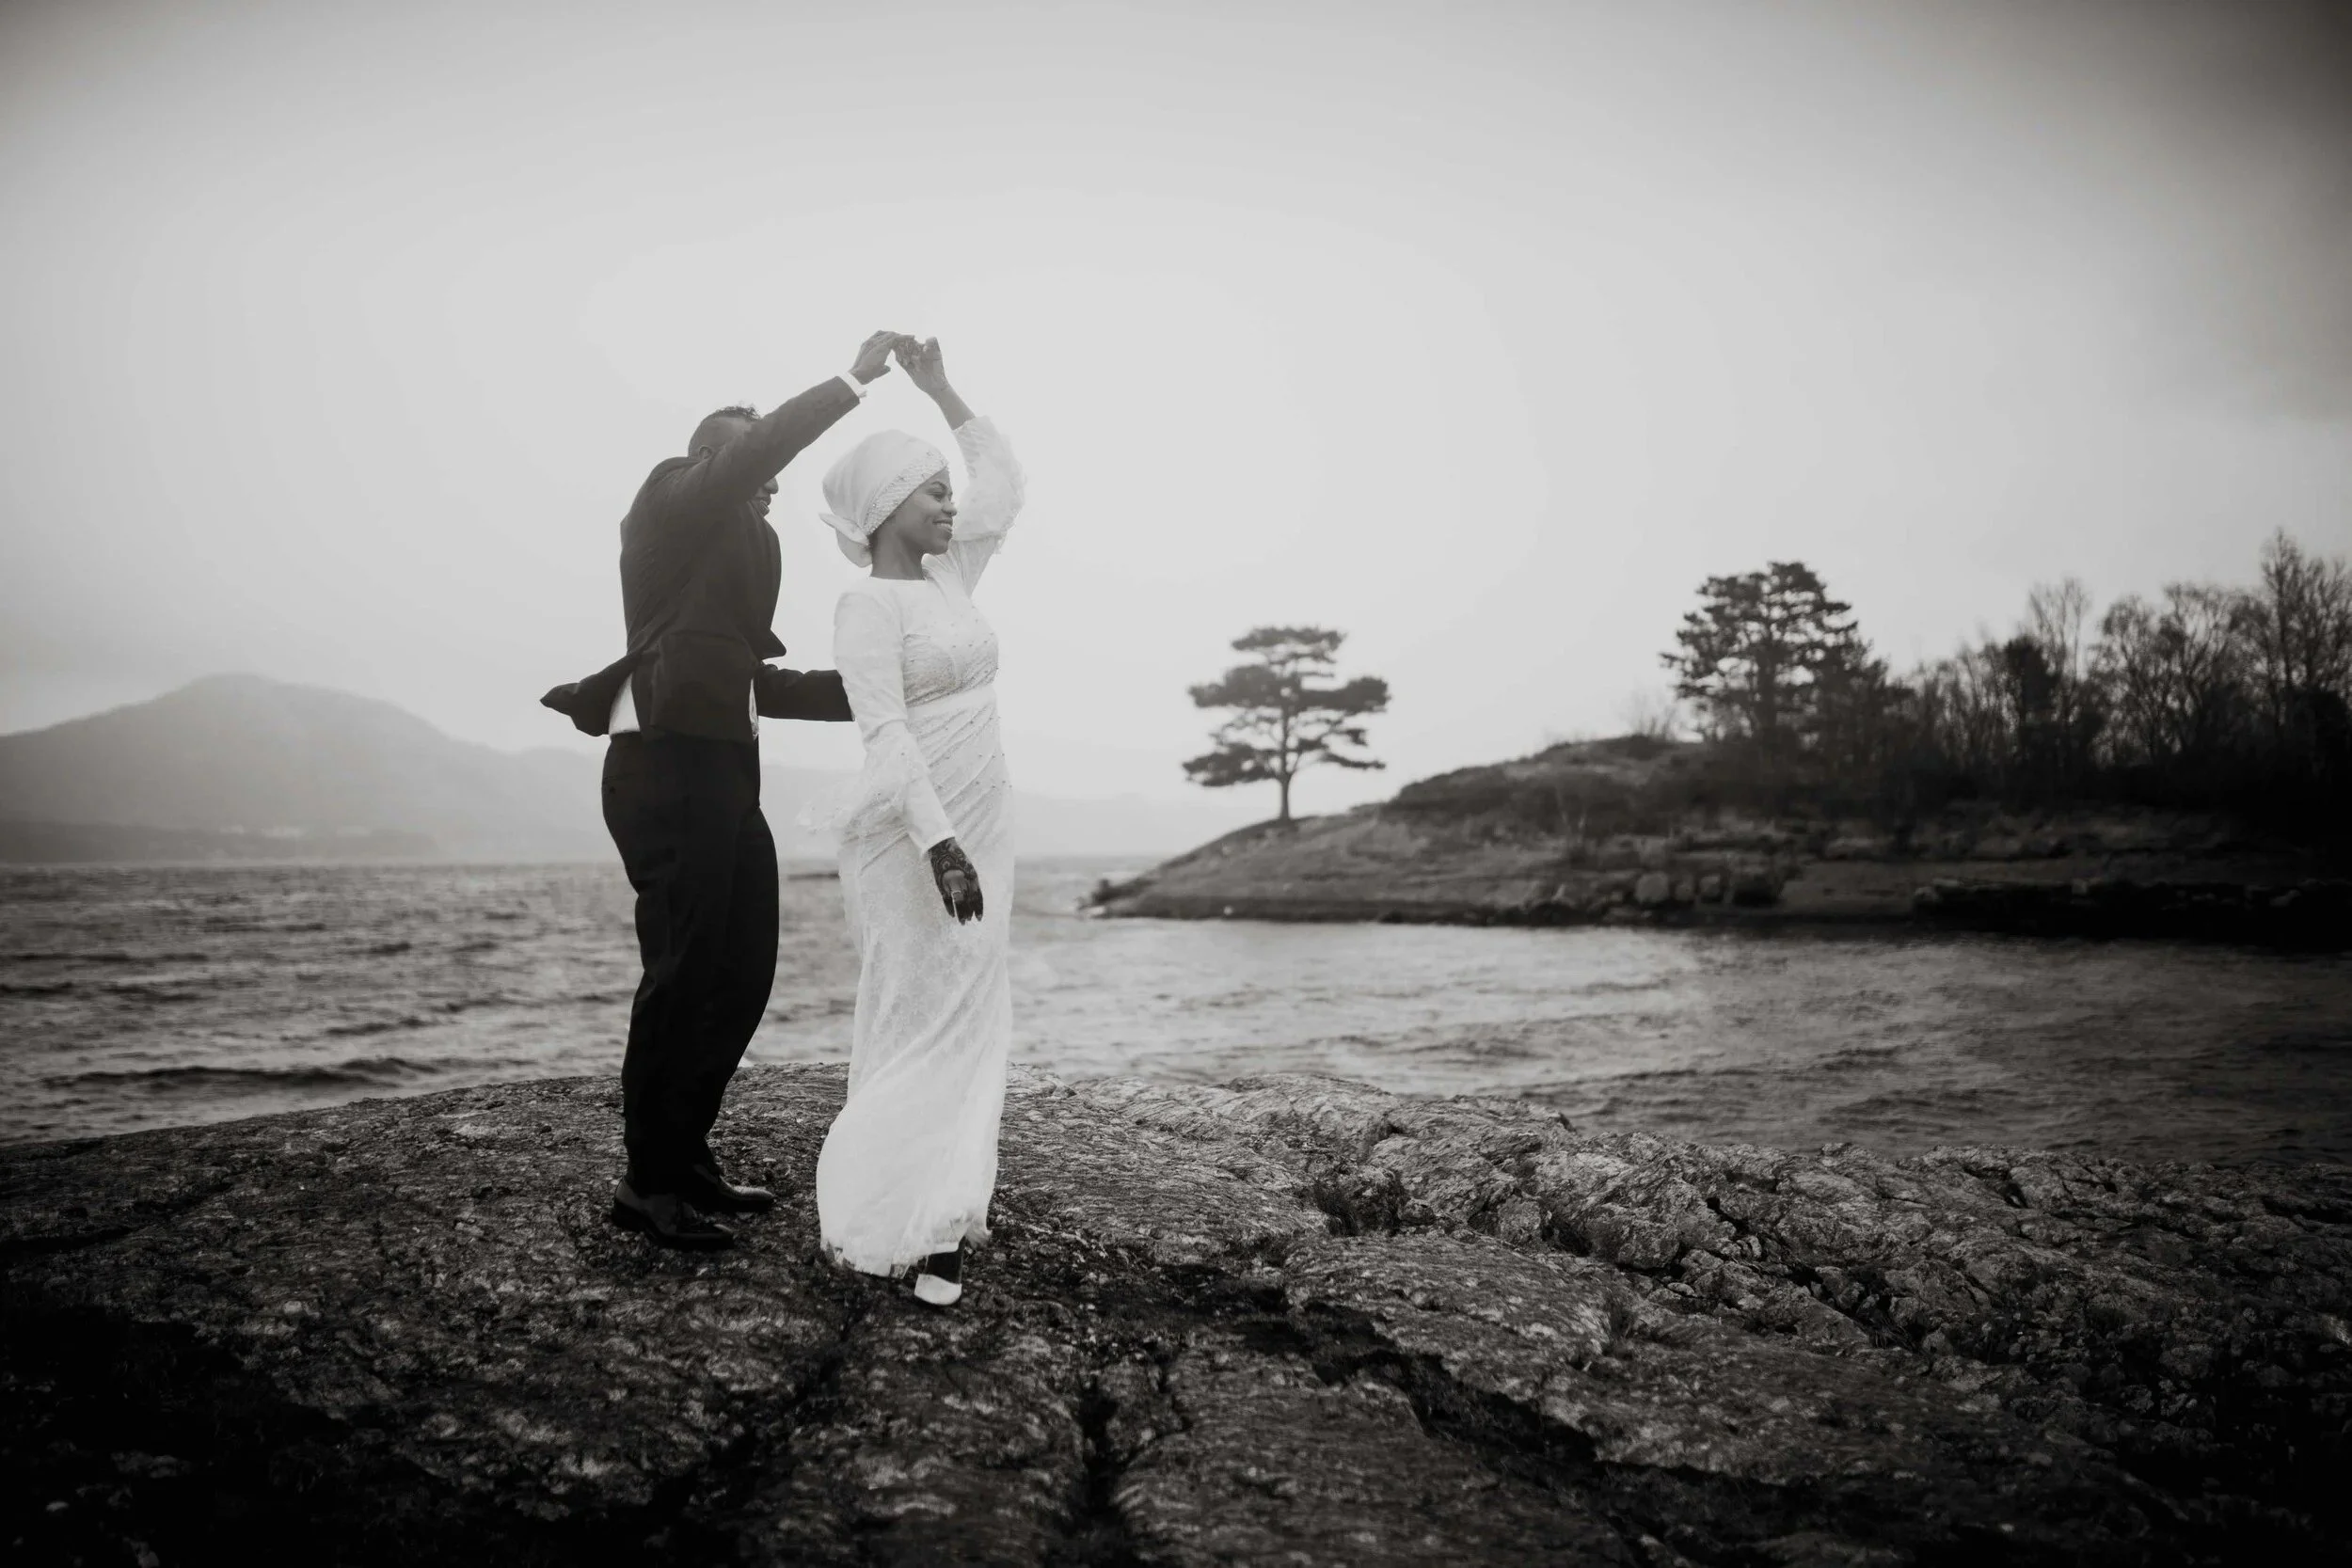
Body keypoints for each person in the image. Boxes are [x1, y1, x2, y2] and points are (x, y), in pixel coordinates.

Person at [542, 329, 913, 1250]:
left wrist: (884, 689)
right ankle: (646, 1182)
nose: (773, 482)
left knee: (740, 971)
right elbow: (752, 450)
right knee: (680, 976)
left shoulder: (725, 579)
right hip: (662, 772)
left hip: (724, 780)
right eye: (758, 463)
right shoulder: (667, 502)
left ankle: (686, 1153)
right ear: (715, 457)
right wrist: (850, 383)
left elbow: (760, 684)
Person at [808, 337, 1024, 1307]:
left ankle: (946, 1205)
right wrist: (940, 844)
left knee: (974, 1012)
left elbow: (1004, 485)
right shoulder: (866, 604)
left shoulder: (950, 577)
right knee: (917, 1008)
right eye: (930, 491)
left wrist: (941, 391)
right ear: (886, 506)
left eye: (944, 489)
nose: (948, 503)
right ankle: (889, 1216)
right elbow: (885, 734)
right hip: (916, 833)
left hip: (989, 815)